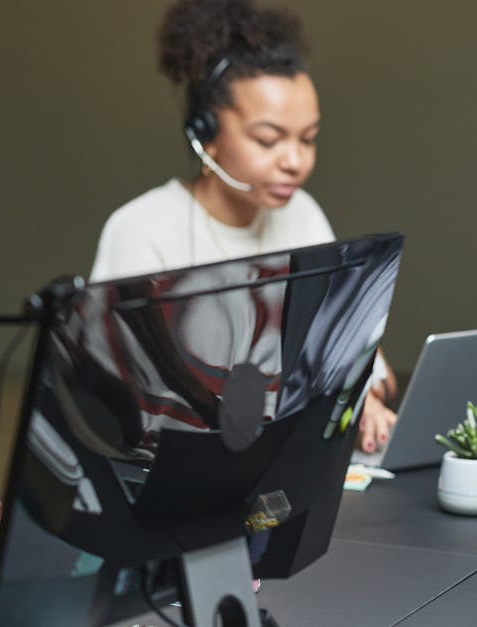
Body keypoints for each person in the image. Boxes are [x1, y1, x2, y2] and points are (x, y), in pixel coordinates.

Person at [88, 0, 398, 454]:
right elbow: (115, 402)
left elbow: (353, 355)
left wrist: (363, 398)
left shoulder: (303, 215)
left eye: (308, 139)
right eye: (268, 140)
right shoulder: (141, 229)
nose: (295, 162)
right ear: (205, 131)